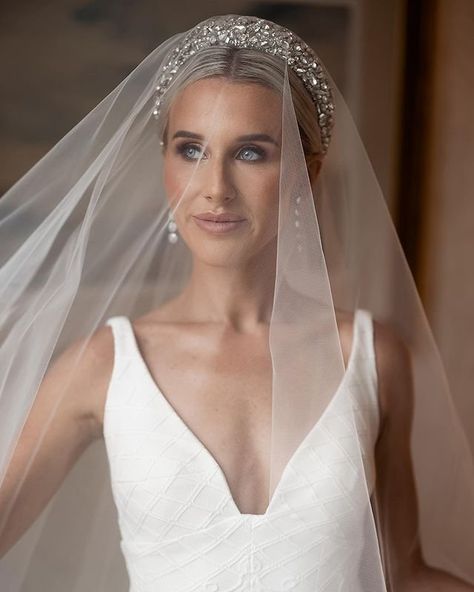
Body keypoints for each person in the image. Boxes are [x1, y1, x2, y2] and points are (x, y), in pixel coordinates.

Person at [0, 13, 473, 592]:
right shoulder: (104, 365)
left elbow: (404, 574)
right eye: (191, 149)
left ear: (307, 171)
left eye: (251, 153)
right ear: (166, 163)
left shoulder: (374, 357)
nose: (215, 187)